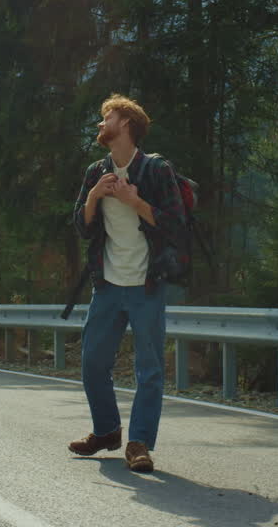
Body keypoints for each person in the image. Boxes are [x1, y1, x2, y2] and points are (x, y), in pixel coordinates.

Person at [68, 94, 186, 473]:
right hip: (106, 284)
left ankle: (138, 444)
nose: (101, 125)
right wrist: (93, 197)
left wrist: (135, 201)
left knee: (149, 369)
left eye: (107, 118)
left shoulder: (156, 170)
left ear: (127, 125)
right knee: (92, 363)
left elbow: (174, 224)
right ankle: (106, 431)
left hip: (146, 284)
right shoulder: (96, 171)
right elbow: (83, 228)